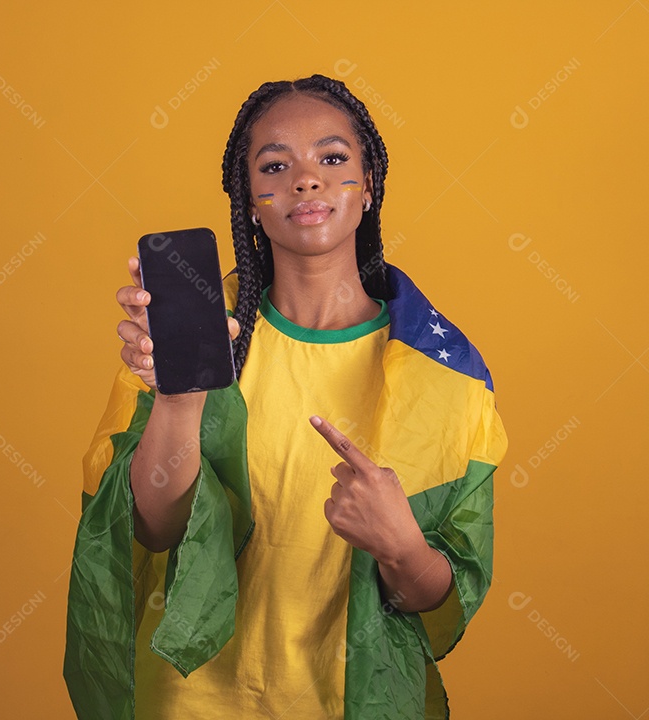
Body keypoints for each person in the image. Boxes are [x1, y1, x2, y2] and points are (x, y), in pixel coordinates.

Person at [64, 74, 508, 720]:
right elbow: (150, 529)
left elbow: (443, 607)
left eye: (332, 159)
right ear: (249, 198)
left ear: (370, 185)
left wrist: (402, 546)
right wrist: (181, 400)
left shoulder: (445, 375)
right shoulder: (190, 340)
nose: (306, 180)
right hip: (190, 703)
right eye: (276, 165)